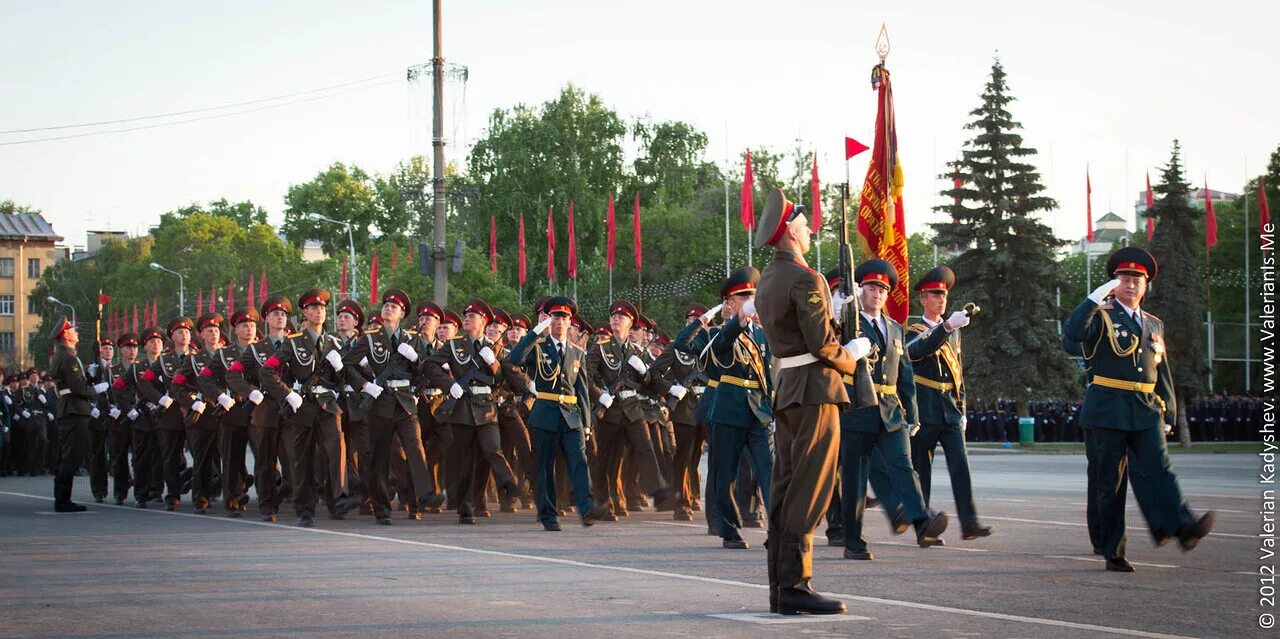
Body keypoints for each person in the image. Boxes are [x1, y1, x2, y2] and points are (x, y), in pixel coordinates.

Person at [1063, 246, 1215, 572]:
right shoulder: (1101, 317)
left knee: (1159, 468)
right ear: (1114, 284)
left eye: (1137, 279)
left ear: (1146, 285)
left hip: (1145, 408)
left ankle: (1182, 527)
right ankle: (1112, 549)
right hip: (1106, 409)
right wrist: (1094, 298)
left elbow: (1161, 371)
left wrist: (1170, 412)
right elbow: (1072, 335)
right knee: (1110, 484)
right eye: (1124, 278)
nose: (1131, 284)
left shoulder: (1153, 324)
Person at [753, 188, 860, 615]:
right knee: (810, 488)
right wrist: (851, 356)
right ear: (792, 232)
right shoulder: (805, 277)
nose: (811, 229)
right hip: (815, 389)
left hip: (789, 389)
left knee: (785, 487)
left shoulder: (768, 279)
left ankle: (780, 587)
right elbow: (821, 343)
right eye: (805, 224)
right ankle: (796, 582)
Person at [836, 259, 948, 560]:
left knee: (902, 465)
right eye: (872, 288)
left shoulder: (896, 329)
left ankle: (922, 521)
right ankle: (853, 541)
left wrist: (912, 414)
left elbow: (906, 375)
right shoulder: (847, 325)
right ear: (861, 290)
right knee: (856, 480)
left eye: (883, 290)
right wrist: (837, 313)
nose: (877, 294)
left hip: (890, 410)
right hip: (857, 411)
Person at [904, 265, 993, 542]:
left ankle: (969, 523)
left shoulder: (953, 330)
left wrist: (962, 407)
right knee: (923, 471)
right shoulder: (911, 330)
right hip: (925, 407)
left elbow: (958, 372)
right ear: (923, 299)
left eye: (943, 295)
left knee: (961, 468)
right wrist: (946, 326)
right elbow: (919, 351)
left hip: (949, 409)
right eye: (934, 294)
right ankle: (924, 529)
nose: (941, 299)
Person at [342, 288, 445, 526]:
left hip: (405, 402)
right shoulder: (369, 338)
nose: (388, 309)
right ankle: (381, 508)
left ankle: (424, 494)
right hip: (379, 402)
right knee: (380, 459)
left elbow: (426, 370)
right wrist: (365, 385)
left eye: (394, 307)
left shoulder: (413, 340)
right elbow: (347, 366)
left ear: (401, 314)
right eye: (386, 305)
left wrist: (415, 359)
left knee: (415, 448)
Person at [506, 296, 608, 530]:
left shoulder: (576, 352)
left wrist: (586, 423)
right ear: (549, 320)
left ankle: (587, 507)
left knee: (579, 461)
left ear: (570, 322)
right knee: (544, 467)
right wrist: (533, 333)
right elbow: (514, 359)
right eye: (555, 317)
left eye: (564, 317)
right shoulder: (538, 348)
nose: (559, 321)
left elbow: (581, 390)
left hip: (571, 415)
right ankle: (548, 514)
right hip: (545, 414)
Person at [258, 289, 354, 527]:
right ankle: (304, 509)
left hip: (328, 406)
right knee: (303, 460)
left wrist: (340, 368)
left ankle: (340, 497)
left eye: (321, 308)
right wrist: (288, 394)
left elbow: (342, 381)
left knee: (336, 448)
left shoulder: (334, 342)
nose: (318, 312)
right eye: (313, 308)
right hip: (302, 407)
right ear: (305, 313)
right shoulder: (293, 343)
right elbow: (267, 371)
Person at [423, 298, 521, 524]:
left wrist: (494, 364)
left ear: (484, 322)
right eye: (465, 316)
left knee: (492, 448)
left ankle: (509, 485)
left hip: (486, 406)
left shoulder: (494, 348)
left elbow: (503, 380)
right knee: (465, 460)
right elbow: (429, 365)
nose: (467, 319)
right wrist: (450, 385)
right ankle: (466, 507)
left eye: (472, 317)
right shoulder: (453, 344)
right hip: (463, 407)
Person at [48, 316, 110, 511]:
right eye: (72, 329)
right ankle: (62, 500)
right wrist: (96, 389)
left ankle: (63, 498)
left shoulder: (65, 356)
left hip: (71, 408)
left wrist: (89, 376)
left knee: (69, 455)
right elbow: (78, 387)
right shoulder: (69, 357)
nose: (76, 332)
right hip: (75, 409)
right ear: (65, 334)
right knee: (72, 456)